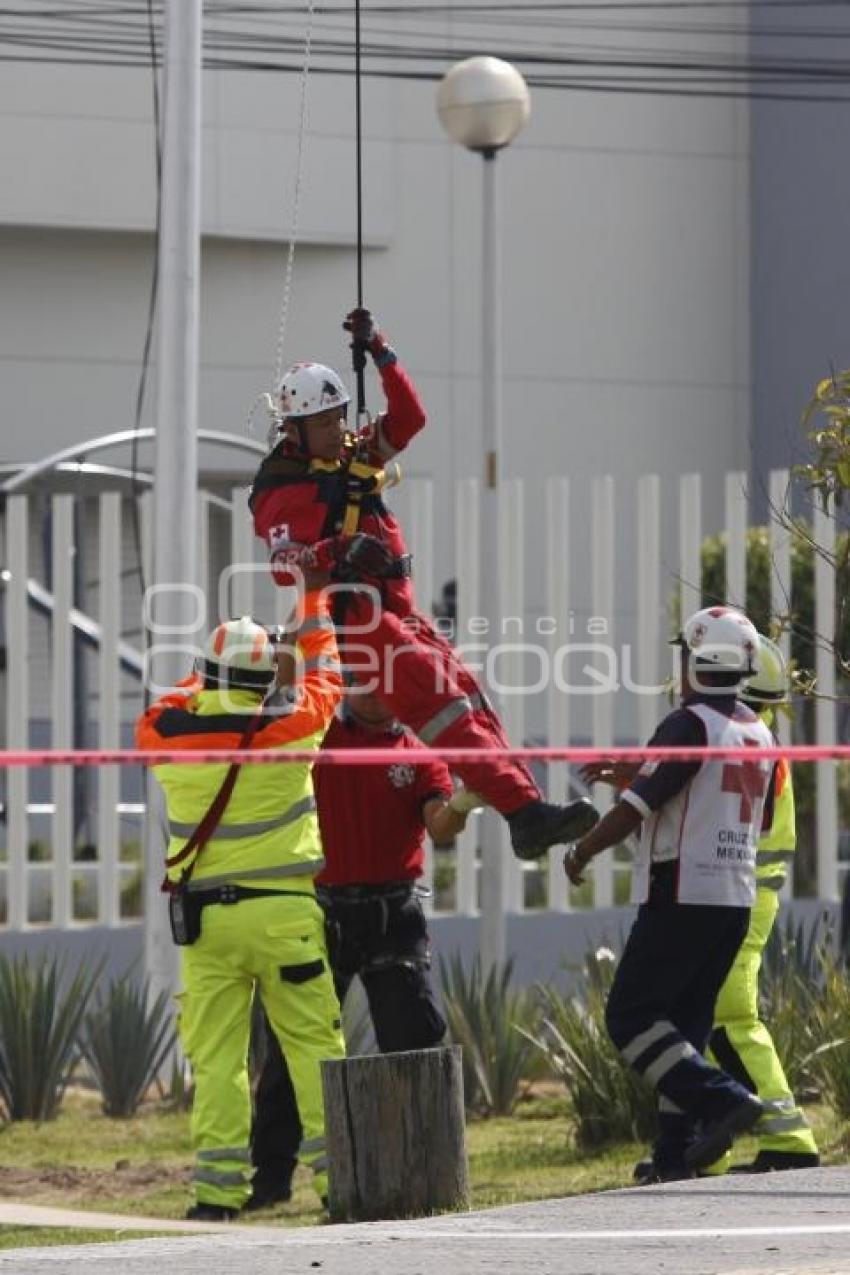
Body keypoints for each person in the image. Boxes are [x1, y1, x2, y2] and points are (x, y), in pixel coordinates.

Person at [248, 307, 598, 861]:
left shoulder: (352, 456)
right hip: (351, 618)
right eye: (324, 422)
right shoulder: (280, 489)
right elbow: (286, 561)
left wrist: (380, 350)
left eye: (341, 416)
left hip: (395, 609)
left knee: (468, 698)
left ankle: (525, 809)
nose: (339, 429)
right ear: (293, 431)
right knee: (439, 702)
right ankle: (523, 811)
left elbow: (409, 419)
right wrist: (337, 549)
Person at [135, 600, 345, 1221]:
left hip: (208, 926)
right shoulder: (291, 727)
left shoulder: (164, 733)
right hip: (284, 917)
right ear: (264, 682)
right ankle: (341, 1184)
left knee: (219, 1059)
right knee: (313, 1049)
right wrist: (314, 609)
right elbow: (327, 677)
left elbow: (178, 696)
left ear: (207, 673)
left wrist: (216, 671)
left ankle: (216, 1197)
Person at [566, 605, 784, 1183]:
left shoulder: (687, 724)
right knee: (683, 1027)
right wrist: (642, 776)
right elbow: (741, 817)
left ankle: (721, 1099)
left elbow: (637, 810)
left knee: (630, 1017)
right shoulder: (759, 730)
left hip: (681, 895)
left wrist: (581, 850)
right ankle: (673, 1155)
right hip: (732, 901)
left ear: (694, 661)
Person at [247, 680, 481, 1211]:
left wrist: (466, 801)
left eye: (383, 683)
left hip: (393, 913)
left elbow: (440, 826)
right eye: (360, 679)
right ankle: (271, 1181)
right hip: (321, 910)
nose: (372, 692)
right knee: (292, 1048)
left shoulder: (417, 753)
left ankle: (426, 1167)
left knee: (414, 1040)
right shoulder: (320, 737)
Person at [706, 635, 819, 1172]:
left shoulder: (748, 744)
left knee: (731, 1016)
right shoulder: (760, 739)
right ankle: (711, 1145)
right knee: (707, 1016)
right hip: (744, 895)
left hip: (742, 897)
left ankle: (790, 1139)